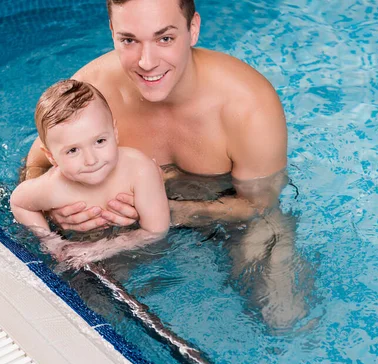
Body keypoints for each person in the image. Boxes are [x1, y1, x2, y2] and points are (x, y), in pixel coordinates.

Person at [22, 0, 311, 331]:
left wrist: (174, 212)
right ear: (112, 34)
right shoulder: (94, 90)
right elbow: (37, 163)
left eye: (165, 39)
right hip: (123, 217)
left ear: (193, 29)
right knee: (78, 306)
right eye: (129, 40)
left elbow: (259, 203)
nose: (147, 62)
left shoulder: (247, 104)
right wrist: (54, 208)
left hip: (229, 209)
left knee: (282, 312)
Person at [11, 79, 169, 264]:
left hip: (123, 246)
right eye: (73, 150)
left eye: (100, 141)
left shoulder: (139, 170)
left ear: (115, 133)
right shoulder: (53, 187)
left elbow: (156, 230)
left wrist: (101, 249)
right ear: (52, 157)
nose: (91, 160)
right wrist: (51, 241)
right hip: (78, 239)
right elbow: (19, 203)